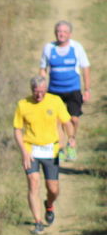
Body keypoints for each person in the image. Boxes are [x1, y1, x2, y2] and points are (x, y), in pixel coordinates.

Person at [13, 75, 74, 235]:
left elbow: (67, 122)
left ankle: (49, 205)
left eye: (42, 92)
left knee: (53, 189)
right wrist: (24, 152)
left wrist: (71, 138)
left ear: (46, 90)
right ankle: (38, 222)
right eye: (36, 92)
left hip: (50, 150)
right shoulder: (23, 104)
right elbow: (17, 129)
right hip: (30, 150)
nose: (39, 95)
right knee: (33, 183)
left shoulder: (55, 101)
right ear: (31, 90)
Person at [39, 20, 91, 161]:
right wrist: (41, 87)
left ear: (70, 34)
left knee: (73, 119)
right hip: (54, 91)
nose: (61, 34)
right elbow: (43, 69)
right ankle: (60, 148)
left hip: (73, 89)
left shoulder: (76, 47)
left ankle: (71, 143)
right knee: (57, 121)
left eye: (64, 32)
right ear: (55, 33)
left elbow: (85, 67)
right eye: (59, 31)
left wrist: (87, 89)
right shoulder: (49, 48)